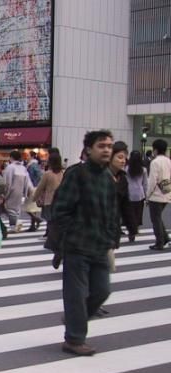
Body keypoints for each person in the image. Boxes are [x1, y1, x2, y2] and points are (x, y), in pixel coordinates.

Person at [53, 130, 119, 356]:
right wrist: (70, 235)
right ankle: (74, 339)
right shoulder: (76, 174)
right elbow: (60, 209)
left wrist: (112, 237)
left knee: (102, 291)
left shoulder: (108, 179)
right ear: (88, 149)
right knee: (76, 295)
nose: (107, 150)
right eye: (101, 146)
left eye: (109, 146)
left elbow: (112, 211)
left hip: (100, 245)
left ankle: (74, 319)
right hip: (77, 245)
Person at [146, 138, 171, 250]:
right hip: (166, 192)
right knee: (158, 218)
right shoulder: (168, 161)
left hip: (156, 195)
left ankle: (159, 242)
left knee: (155, 219)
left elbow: (152, 181)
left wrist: (147, 195)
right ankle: (165, 238)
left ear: (155, 150)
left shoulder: (155, 162)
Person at [2, 150, 33, 233]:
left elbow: (7, 182)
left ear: (11, 157)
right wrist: (26, 192)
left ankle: (13, 226)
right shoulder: (23, 168)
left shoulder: (10, 167)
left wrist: (5, 193)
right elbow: (27, 181)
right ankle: (16, 225)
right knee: (17, 210)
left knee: (10, 210)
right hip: (21, 191)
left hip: (12, 191)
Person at [34, 151, 64, 224]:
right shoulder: (63, 173)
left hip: (49, 201)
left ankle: (50, 233)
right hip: (61, 201)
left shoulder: (47, 174)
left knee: (50, 222)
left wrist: (35, 197)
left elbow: (40, 187)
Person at [125, 150, 148, 242]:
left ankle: (131, 231)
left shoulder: (126, 169)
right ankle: (135, 229)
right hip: (139, 194)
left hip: (129, 193)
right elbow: (145, 184)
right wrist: (147, 196)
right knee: (138, 214)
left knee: (129, 213)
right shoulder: (144, 170)